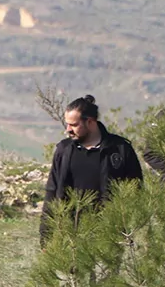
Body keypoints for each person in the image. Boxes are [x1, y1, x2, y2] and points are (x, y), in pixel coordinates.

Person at [41, 95, 143, 245]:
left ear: (90, 122)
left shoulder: (120, 150)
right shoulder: (63, 151)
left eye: (73, 125)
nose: (68, 130)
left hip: (108, 236)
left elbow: (137, 191)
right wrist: (46, 236)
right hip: (70, 236)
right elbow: (51, 193)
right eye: (67, 124)